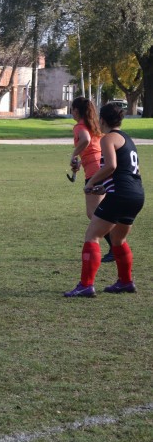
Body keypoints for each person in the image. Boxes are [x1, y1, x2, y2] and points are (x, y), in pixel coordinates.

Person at [64, 102, 144, 297]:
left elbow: (111, 166)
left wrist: (91, 182)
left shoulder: (108, 138)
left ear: (102, 120)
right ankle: (125, 282)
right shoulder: (126, 138)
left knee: (92, 236)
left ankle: (86, 285)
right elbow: (124, 172)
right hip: (136, 195)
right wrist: (103, 187)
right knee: (118, 239)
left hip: (121, 194)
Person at [69, 96, 113, 262]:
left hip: (95, 172)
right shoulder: (93, 125)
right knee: (101, 211)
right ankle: (115, 245)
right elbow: (93, 148)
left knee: (94, 213)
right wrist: (81, 160)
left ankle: (115, 247)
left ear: (77, 111)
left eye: (72, 109)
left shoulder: (79, 126)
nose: (71, 113)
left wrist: (73, 154)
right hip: (101, 168)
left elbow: (86, 140)